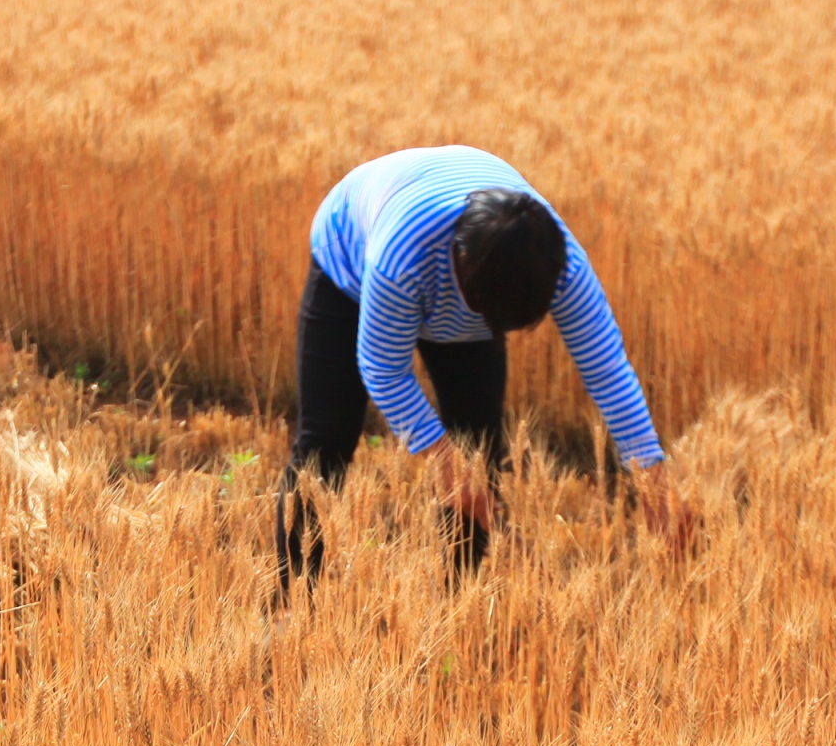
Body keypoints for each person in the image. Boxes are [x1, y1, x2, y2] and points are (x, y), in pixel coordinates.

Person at [275, 145, 693, 581]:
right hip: (349, 262)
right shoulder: (400, 258)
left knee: (479, 448)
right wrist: (442, 460)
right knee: (325, 442)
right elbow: (384, 369)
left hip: (464, 273)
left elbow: (608, 372)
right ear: (466, 277)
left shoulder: (560, 263)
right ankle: (292, 600)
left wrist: (654, 485)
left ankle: (462, 601)